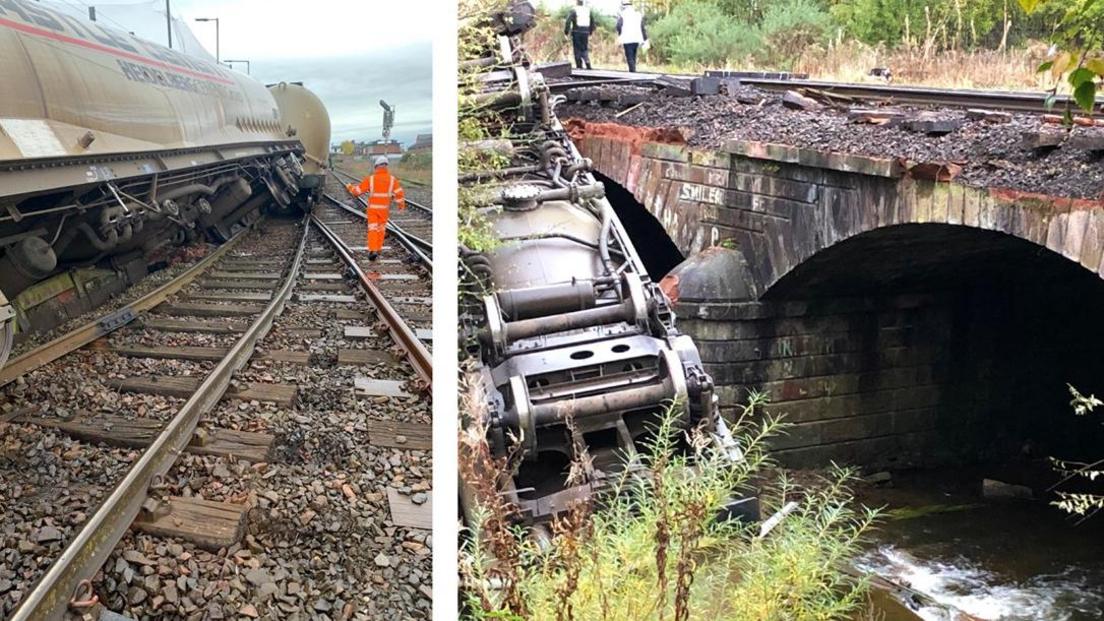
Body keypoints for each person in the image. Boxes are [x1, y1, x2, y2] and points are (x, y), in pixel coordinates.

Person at [346, 156, 406, 261]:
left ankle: (373, 250)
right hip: (384, 210)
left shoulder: (371, 179)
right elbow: (399, 193)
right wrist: (401, 205)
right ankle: (378, 249)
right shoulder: (392, 180)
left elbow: (357, 192)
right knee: (381, 230)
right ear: (386, 166)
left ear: (376, 166)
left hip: (373, 210)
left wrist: (350, 187)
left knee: (372, 229)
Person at [616, 1, 647, 73]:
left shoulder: (622, 15)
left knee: (629, 56)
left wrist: (620, 33)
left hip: (627, 38)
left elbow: (618, 26)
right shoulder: (638, 15)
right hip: (637, 38)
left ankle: (633, 72)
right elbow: (642, 27)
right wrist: (645, 38)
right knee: (633, 55)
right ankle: (633, 70)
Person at [563, 0, 594, 70]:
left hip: (576, 31)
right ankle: (587, 62)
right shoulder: (588, 10)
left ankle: (579, 66)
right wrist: (591, 32)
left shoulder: (574, 10)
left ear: (576, 2)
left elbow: (568, 21)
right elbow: (592, 22)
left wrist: (566, 32)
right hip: (586, 32)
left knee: (577, 49)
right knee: (584, 48)